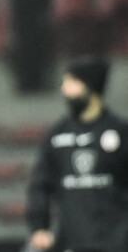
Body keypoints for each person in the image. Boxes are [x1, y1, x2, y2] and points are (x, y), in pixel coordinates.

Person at [25, 56, 128, 252]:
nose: (65, 90)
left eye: (72, 82)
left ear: (90, 86)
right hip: (72, 242)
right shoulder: (58, 135)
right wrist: (39, 226)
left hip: (116, 242)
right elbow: (40, 185)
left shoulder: (121, 133)